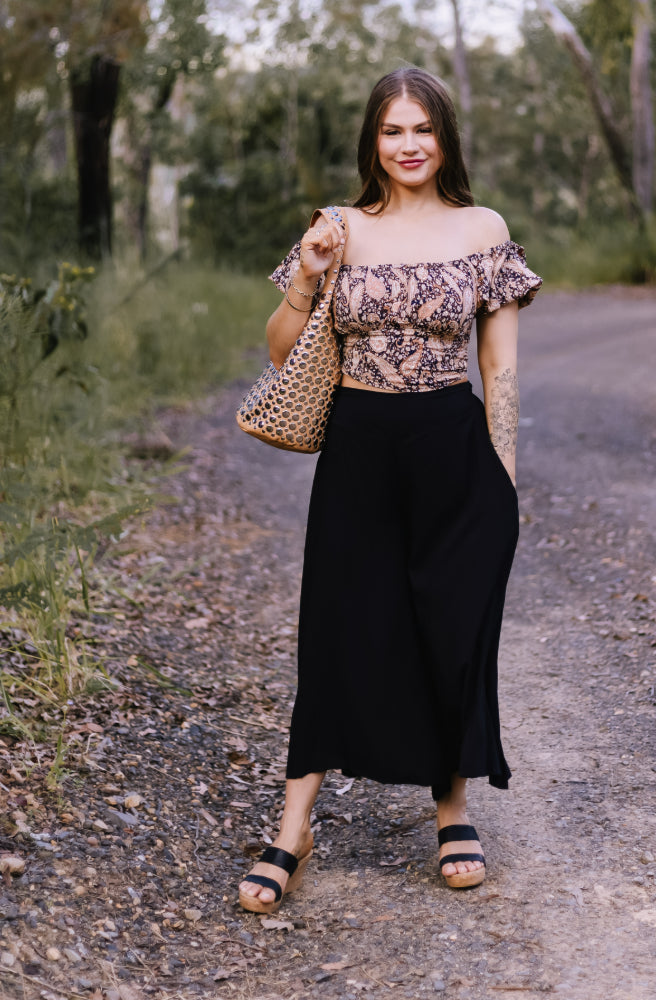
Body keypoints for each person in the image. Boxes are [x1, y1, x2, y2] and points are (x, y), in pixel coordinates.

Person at [238, 66, 542, 913]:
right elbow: (280, 351)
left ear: (444, 137)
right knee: (337, 627)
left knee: (448, 625)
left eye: (423, 130)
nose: (409, 146)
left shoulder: (484, 228)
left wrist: (503, 481)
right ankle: (293, 826)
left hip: (453, 447)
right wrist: (305, 276)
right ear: (372, 141)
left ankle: (453, 809)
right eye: (391, 131)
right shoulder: (339, 227)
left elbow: (500, 366)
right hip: (358, 451)